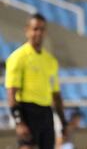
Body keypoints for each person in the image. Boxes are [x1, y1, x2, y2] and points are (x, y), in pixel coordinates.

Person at [5, 14, 68, 149]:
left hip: (46, 114)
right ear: (27, 30)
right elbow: (11, 94)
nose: (38, 33)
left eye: (41, 29)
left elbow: (56, 94)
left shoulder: (51, 61)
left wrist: (64, 122)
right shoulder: (17, 57)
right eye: (35, 29)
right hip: (27, 112)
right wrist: (19, 123)